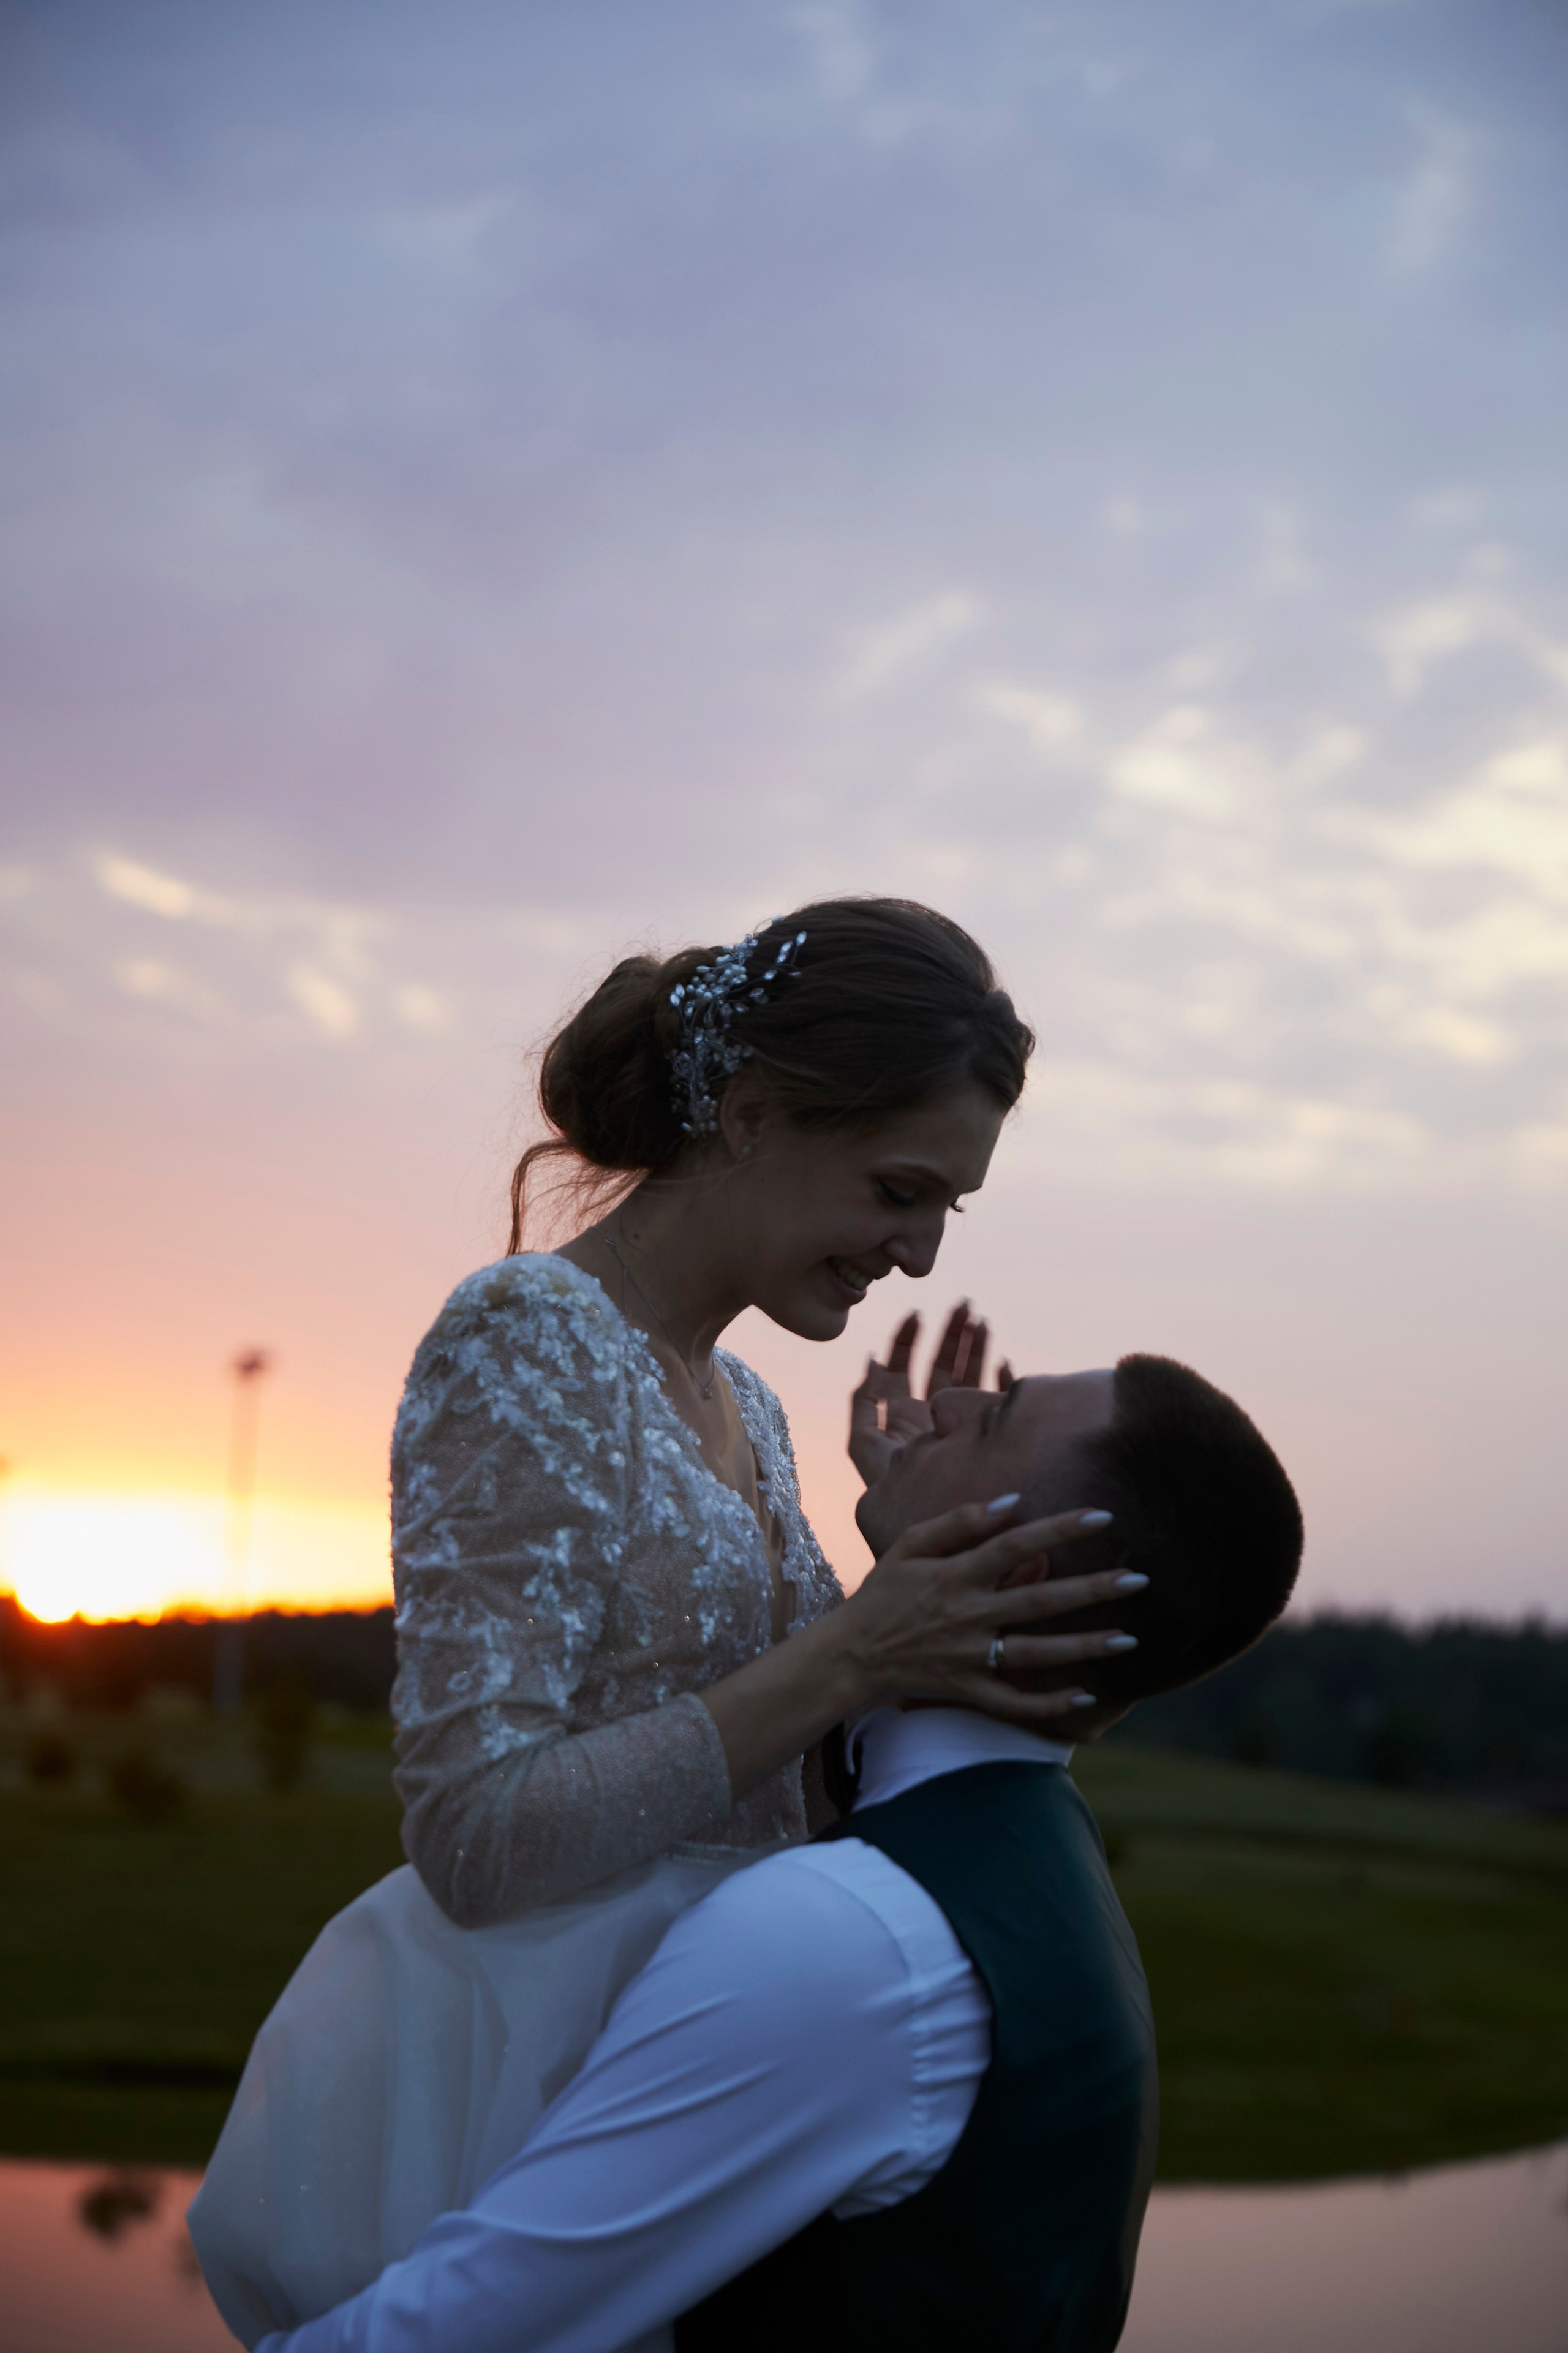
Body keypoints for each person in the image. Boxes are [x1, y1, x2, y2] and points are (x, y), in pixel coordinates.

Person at [191, 899, 1139, 2343]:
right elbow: (472, 1832)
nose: (918, 1253)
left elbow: (787, 1789)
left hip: (722, 2072)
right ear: (749, 1115)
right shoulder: (526, 1338)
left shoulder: (751, 1405)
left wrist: (893, 1550)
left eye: (945, 1210)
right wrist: (853, 1648)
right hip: (527, 2087)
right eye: (898, 1189)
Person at [248, 1350, 1305, 2353]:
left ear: (1013, 1568)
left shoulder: (849, 1936)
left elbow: (461, 2329)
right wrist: (914, 1525)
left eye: (992, 1416)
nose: (942, 1402)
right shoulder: (1040, 1879)